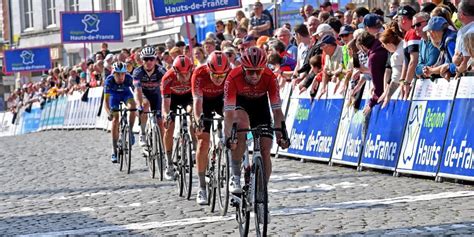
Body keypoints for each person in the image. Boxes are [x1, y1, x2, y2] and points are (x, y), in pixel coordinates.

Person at [224, 47, 290, 195]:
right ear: (243, 68)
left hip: (260, 107)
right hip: (241, 105)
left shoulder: (270, 77)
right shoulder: (233, 77)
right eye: (250, 71)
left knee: (265, 149)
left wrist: (282, 135)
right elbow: (228, 114)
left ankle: (262, 191)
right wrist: (229, 136)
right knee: (242, 126)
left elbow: (277, 111)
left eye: (258, 71)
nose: (254, 75)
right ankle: (235, 175)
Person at [192, 52, 231, 205]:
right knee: (202, 141)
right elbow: (196, 102)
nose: (218, 79)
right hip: (204, 103)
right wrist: (198, 119)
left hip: (221, 100)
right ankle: (201, 187)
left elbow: (233, 101)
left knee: (232, 116)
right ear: (208, 69)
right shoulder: (199, 73)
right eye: (215, 75)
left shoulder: (230, 72)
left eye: (222, 76)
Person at [161, 55, 195, 180]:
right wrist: (166, 116)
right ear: (175, 71)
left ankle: (194, 149)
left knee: (193, 114)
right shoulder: (167, 78)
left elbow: (197, 99)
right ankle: (169, 162)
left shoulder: (195, 74)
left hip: (188, 97)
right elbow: (165, 104)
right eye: (181, 74)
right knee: (169, 126)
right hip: (172, 99)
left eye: (187, 74)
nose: (185, 77)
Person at [132, 46, 167, 151]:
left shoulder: (161, 71)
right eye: (146, 59)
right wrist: (138, 105)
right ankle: (142, 133)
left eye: (151, 59)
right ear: (142, 61)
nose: (149, 62)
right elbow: (137, 91)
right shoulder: (138, 72)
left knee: (160, 122)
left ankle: (164, 148)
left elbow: (167, 89)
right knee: (145, 105)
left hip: (156, 95)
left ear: (155, 60)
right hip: (143, 94)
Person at [104, 62, 137, 163]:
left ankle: (130, 131)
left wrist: (139, 105)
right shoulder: (108, 81)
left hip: (126, 94)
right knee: (115, 119)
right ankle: (114, 151)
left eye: (123, 74)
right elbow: (106, 102)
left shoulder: (129, 78)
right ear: (113, 74)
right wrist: (109, 112)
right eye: (118, 74)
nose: (121, 77)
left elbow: (137, 92)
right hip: (114, 97)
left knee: (133, 107)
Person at [356, 31, 389, 116]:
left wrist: (371, 104)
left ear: (363, 46)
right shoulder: (383, 44)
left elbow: (379, 88)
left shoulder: (373, 58)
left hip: (389, 90)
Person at [422, 16, 457, 81]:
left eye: (428, 32)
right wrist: (432, 71)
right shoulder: (447, 38)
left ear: (432, 32)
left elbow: (457, 65)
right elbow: (446, 65)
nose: (428, 35)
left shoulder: (449, 41)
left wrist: (432, 70)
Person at [397, 5, 420, 99]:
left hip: (415, 79)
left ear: (403, 19)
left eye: (398, 20)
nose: (397, 23)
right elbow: (406, 61)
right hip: (412, 78)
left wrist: (407, 82)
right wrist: (402, 80)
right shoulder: (409, 33)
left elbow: (413, 61)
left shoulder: (412, 33)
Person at [379, 28, 404, 107]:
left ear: (389, 44)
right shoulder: (405, 43)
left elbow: (396, 79)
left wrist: (387, 96)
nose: (384, 47)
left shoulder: (396, 56)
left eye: (383, 45)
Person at [413, 12, 440, 78]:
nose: (415, 28)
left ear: (428, 22)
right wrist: (421, 70)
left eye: (418, 24)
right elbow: (417, 69)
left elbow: (431, 64)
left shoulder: (434, 39)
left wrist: (421, 70)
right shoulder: (422, 41)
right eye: (413, 26)